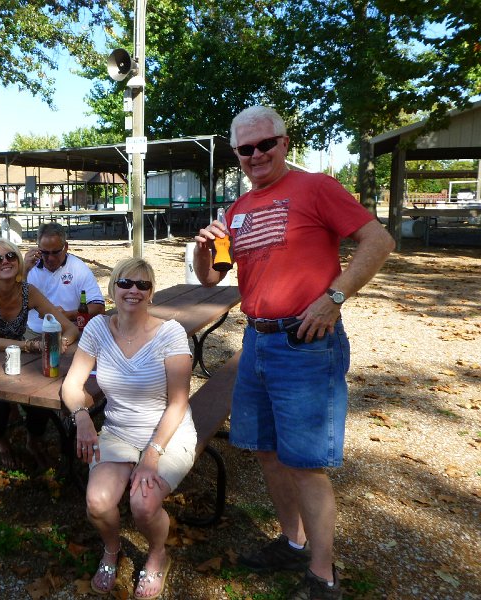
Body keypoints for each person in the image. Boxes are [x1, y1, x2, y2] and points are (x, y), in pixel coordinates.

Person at [193, 105, 395, 600]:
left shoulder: (316, 187)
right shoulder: (237, 210)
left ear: (284, 143)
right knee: (267, 452)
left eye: (266, 144)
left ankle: (323, 577)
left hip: (306, 344)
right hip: (256, 340)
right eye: (246, 148)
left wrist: (335, 296)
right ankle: (292, 542)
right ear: (237, 153)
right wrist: (202, 248)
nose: (257, 154)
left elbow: (378, 239)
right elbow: (211, 278)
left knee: (305, 463)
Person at [61, 258, 196, 599]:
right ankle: (111, 549)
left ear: (151, 294)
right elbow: (72, 385)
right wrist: (82, 418)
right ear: (113, 288)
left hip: (168, 432)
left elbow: (178, 403)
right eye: (125, 283)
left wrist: (152, 455)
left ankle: (157, 555)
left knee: (143, 504)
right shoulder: (97, 328)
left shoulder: (170, 334)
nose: (133, 290)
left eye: (142, 285)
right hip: (119, 430)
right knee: (97, 502)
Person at [0, 238, 79, 469]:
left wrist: (61, 342)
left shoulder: (29, 292)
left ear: (19, 261)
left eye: (11, 256)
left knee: (43, 393)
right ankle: (1, 440)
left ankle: (33, 439)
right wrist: (30, 346)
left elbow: (70, 328)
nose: (5, 261)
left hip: (14, 358)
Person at [23, 222, 105, 335]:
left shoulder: (77, 268)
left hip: (68, 331)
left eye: (55, 252)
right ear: (38, 248)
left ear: (65, 247)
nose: (50, 258)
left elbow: (99, 308)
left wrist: (67, 315)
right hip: (33, 332)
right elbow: (11, 304)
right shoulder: (28, 267)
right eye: (45, 253)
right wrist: (23, 271)